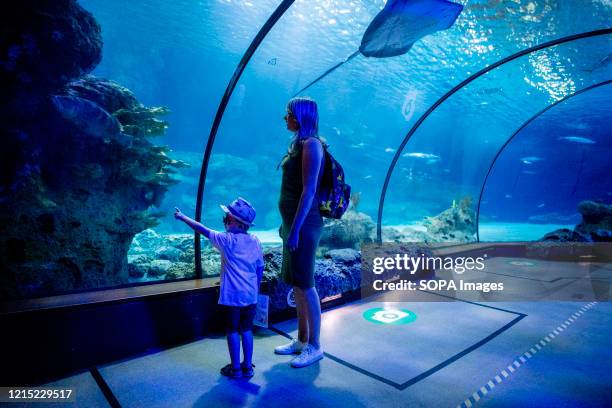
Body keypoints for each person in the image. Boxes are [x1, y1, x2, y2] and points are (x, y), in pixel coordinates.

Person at [174, 198, 264, 379]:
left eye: (227, 218)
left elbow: (202, 229)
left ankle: (236, 369)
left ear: (234, 222)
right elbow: (260, 268)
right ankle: (248, 367)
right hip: (250, 296)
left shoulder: (226, 240)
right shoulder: (255, 241)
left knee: (231, 330)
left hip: (232, 298)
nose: (225, 221)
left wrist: (183, 217)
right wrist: (255, 288)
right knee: (247, 329)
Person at [275, 97, 326, 368]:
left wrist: (294, 230)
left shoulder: (312, 145)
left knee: (306, 285)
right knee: (297, 284)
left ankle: (316, 346)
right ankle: (301, 340)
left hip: (305, 225)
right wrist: (286, 226)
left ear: (301, 116)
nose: (285, 118)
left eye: (289, 113)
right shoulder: (298, 145)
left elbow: (308, 192)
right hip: (293, 225)